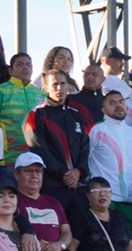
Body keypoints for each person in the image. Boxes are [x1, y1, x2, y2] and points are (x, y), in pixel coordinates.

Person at [24, 70, 91, 206]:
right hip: (52, 186)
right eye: (54, 84)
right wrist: (64, 174)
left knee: (79, 227)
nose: (59, 88)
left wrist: (78, 172)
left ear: (68, 85)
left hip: (78, 185)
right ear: (46, 88)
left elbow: (85, 148)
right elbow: (39, 150)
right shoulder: (36, 114)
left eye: (63, 83)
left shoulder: (76, 115)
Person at [86, 90, 132, 238]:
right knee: (105, 243)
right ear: (103, 110)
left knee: (129, 243)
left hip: (130, 200)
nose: (118, 105)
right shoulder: (96, 129)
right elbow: (84, 161)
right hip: (106, 199)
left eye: (121, 101)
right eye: (112, 103)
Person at [0, 53, 45, 167]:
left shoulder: (41, 96)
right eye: (20, 64)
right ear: (10, 71)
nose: (25, 67)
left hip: (37, 161)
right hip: (8, 161)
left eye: (28, 64)